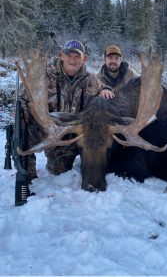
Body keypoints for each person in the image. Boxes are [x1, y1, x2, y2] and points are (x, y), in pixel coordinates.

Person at [19, 40, 111, 182]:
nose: (73, 60)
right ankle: (27, 176)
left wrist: (106, 89)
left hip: (68, 137)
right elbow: (21, 98)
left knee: (59, 172)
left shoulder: (91, 81)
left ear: (84, 59)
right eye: (69, 55)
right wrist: (23, 112)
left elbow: (103, 87)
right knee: (20, 128)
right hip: (43, 130)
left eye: (77, 56)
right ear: (61, 56)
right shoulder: (42, 77)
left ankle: (58, 162)